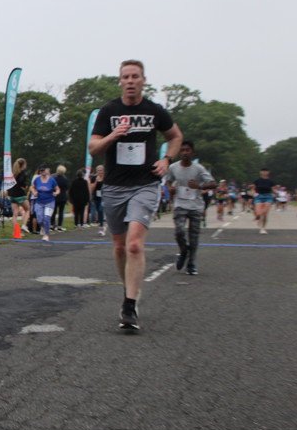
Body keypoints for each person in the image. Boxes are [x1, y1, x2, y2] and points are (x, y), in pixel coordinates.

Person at [88, 59, 182, 332]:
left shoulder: (154, 110)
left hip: (145, 184)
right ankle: (129, 288)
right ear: (120, 81)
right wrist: (112, 136)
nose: (130, 81)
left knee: (134, 245)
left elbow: (175, 136)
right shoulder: (109, 111)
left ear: (143, 80)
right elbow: (93, 148)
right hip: (115, 186)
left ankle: (130, 305)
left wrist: (167, 160)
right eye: (126, 77)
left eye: (135, 76)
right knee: (119, 247)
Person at [165, 140, 215, 276]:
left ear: (192, 152)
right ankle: (183, 251)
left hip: (195, 205)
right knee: (179, 232)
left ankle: (191, 264)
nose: (185, 153)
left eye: (187, 150)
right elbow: (168, 181)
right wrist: (170, 188)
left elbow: (213, 183)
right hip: (180, 204)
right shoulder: (173, 167)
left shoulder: (199, 169)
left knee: (193, 236)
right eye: (182, 150)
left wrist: (199, 186)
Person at [31, 164, 59, 242]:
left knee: (47, 218)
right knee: (39, 219)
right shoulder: (37, 180)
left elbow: (57, 189)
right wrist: (34, 192)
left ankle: (46, 235)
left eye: (43, 170)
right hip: (39, 202)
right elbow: (32, 187)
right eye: (41, 171)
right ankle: (43, 227)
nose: (42, 172)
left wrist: (56, 193)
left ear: (47, 170)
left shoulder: (52, 180)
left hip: (49, 201)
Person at [249, 168, 276, 234]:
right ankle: (258, 218)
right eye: (263, 171)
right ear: (260, 172)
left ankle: (263, 228)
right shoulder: (257, 180)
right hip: (259, 196)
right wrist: (253, 193)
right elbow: (253, 189)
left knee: (264, 213)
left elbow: (273, 189)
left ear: (268, 172)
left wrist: (275, 193)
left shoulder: (270, 181)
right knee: (259, 213)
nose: (264, 173)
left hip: (268, 197)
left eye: (266, 171)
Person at [7, 158, 30, 233]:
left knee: (15, 214)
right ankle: (24, 225)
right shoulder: (22, 173)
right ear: (23, 165)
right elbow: (22, 183)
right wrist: (25, 186)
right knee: (27, 209)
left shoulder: (12, 174)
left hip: (12, 195)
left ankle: (15, 231)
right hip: (20, 195)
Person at [89, 165, 106, 236]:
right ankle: (102, 225)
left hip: (104, 197)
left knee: (100, 210)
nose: (100, 172)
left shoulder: (106, 177)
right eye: (98, 170)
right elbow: (92, 188)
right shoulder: (94, 178)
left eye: (101, 170)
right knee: (99, 211)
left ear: (104, 171)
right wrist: (96, 181)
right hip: (96, 197)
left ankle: (101, 227)